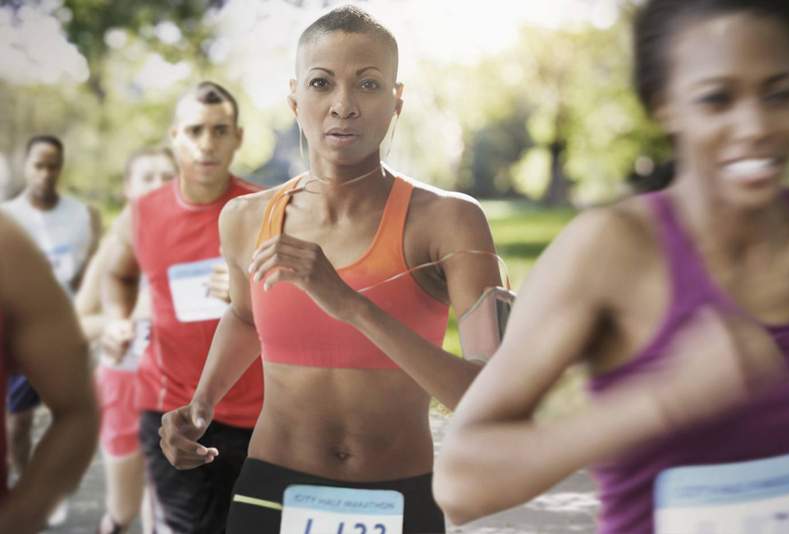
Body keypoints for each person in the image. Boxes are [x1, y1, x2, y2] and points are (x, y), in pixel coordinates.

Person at [432, 1, 789, 532]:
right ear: (664, 105)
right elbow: (461, 484)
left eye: (780, 95)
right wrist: (662, 401)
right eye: (717, 99)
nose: (756, 125)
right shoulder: (608, 252)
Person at [158, 6, 502, 534]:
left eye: (368, 84)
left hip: (399, 497)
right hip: (272, 493)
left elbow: (489, 397)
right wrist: (200, 406)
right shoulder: (246, 218)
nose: (343, 106)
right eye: (322, 83)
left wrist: (351, 306)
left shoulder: (452, 221)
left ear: (396, 101)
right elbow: (247, 318)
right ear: (296, 100)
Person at [102, 81, 263, 534]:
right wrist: (118, 320)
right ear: (175, 137)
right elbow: (118, 273)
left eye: (219, 130)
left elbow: (306, 303)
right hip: (170, 408)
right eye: (195, 131)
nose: (207, 144)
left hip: (256, 412)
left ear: (238, 138)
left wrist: (251, 293)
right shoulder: (143, 212)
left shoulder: (265, 210)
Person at [74, 147, 176, 534]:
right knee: (123, 508)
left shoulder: (203, 242)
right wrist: (115, 325)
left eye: (168, 176)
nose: (158, 185)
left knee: (163, 501)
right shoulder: (114, 250)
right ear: (128, 189)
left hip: (177, 390)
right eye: (147, 177)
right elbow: (79, 324)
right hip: (124, 385)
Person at [1, 135, 100, 521]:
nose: (44, 173)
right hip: (17, 334)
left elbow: (90, 272)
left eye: (52, 165)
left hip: (64, 331)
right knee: (19, 419)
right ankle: (23, 485)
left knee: (71, 412)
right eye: (38, 165)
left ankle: (35, 500)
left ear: (61, 166)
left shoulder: (80, 216)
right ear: (26, 167)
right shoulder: (10, 217)